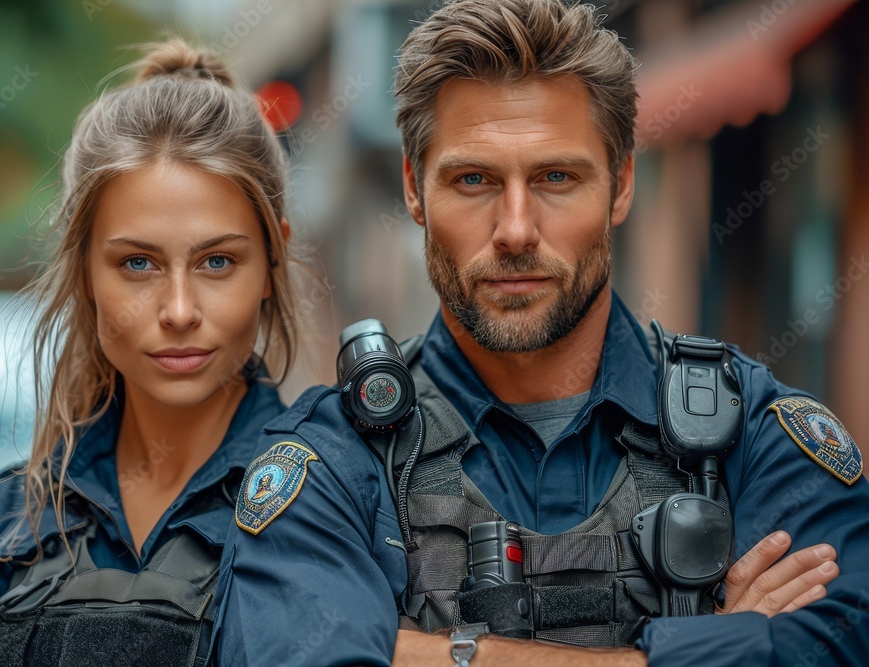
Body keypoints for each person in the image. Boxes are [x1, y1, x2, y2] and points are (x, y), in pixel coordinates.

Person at [215, 1, 869, 665]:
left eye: (557, 177)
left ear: (621, 183)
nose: (517, 230)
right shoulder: (333, 461)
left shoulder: (755, 438)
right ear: (414, 189)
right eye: (474, 180)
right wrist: (707, 647)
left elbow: (842, 640)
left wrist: (421, 650)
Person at [0, 37, 309, 667]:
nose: (179, 310)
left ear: (273, 258)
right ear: (84, 271)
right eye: (138, 263)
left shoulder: (339, 498)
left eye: (217, 261)